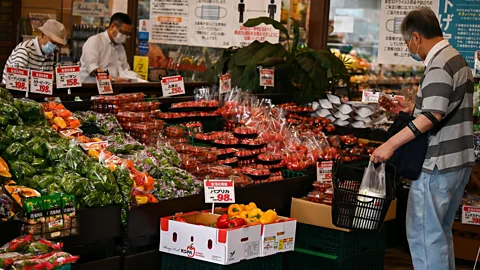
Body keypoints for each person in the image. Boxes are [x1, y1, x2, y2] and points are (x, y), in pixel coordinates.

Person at [371, 7, 474, 270]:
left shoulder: (439, 63)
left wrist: (390, 144)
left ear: (416, 37)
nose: (409, 48)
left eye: (408, 42)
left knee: (425, 237)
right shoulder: (456, 59)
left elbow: (433, 115)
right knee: (440, 234)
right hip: (458, 161)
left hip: (438, 164)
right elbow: (442, 107)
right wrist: (410, 108)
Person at [2, 19, 66, 84]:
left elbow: (47, 81)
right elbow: (15, 79)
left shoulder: (50, 54)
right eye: (53, 42)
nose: (54, 46)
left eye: (57, 44)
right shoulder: (25, 50)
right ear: (42, 35)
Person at [80, 13, 133, 83]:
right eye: (123, 32)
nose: (124, 36)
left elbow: (125, 69)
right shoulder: (95, 41)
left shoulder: (121, 48)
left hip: (113, 88)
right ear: (112, 26)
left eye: (127, 34)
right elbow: (92, 68)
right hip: (91, 87)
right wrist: (111, 79)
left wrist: (130, 77)